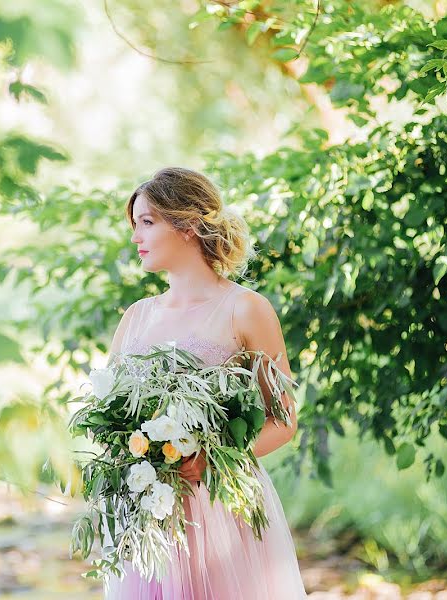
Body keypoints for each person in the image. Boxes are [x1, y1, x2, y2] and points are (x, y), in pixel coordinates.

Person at [104, 167, 308, 599]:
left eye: (147, 222)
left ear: (188, 225)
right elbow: (112, 418)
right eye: (134, 224)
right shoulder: (136, 318)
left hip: (221, 512)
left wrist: (213, 461)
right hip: (149, 519)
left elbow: (284, 420)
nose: (135, 237)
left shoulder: (245, 309)